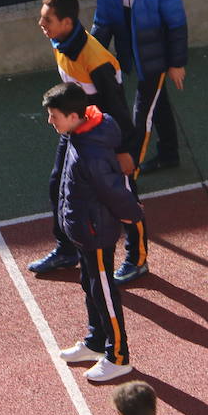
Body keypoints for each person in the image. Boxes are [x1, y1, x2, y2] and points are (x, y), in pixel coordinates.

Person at [29, 0, 151, 284]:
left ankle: (137, 258)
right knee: (58, 184)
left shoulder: (95, 60)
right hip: (76, 127)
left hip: (105, 133)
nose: (41, 24)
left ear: (67, 22)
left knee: (124, 196)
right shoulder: (61, 42)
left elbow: (119, 108)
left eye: (47, 20)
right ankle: (67, 249)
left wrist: (123, 151)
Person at [42, 82, 144, 382]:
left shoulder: (91, 152)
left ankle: (118, 356)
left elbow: (114, 192)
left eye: (54, 116)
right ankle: (96, 341)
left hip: (95, 230)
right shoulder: (81, 133)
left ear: (74, 116)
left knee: (104, 291)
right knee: (90, 284)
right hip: (84, 229)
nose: (51, 122)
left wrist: (133, 215)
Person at [91, 0, 189, 177]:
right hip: (132, 52)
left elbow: (176, 23)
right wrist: (89, 54)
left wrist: (176, 63)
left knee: (141, 113)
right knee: (159, 103)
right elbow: (103, 22)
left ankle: (129, 170)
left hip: (155, 56)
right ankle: (169, 153)